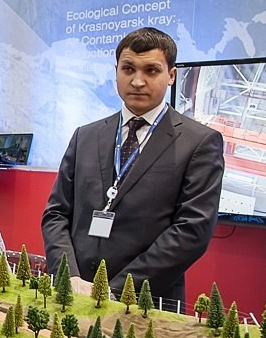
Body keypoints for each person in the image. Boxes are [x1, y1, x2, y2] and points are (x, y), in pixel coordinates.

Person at [41, 27, 224, 306]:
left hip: (145, 302)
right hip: (74, 293)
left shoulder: (199, 142)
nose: (138, 81)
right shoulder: (85, 136)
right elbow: (56, 213)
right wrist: (69, 275)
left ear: (171, 75)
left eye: (151, 70)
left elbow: (192, 231)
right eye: (128, 69)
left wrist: (116, 291)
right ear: (116, 72)